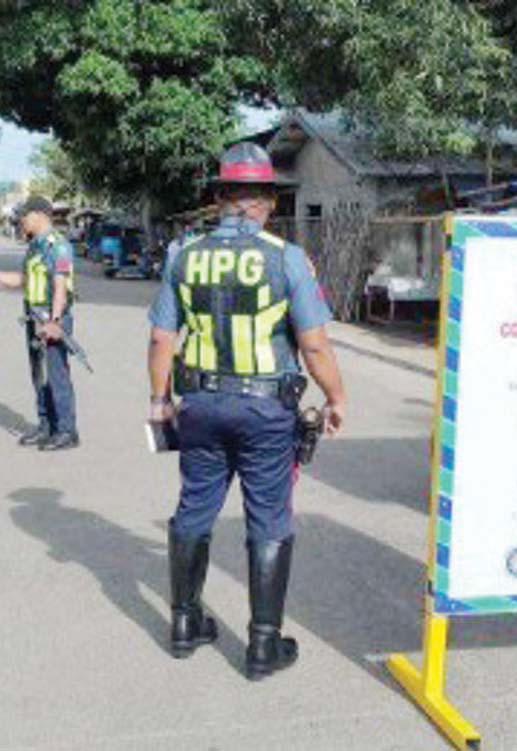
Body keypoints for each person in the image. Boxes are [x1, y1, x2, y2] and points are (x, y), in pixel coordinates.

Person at [146, 142, 347, 680]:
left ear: (218, 198)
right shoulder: (286, 258)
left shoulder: (182, 255)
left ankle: (185, 624)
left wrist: (159, 400)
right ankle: (262, 646)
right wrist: (336, 397)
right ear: (268, 202)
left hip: (201, 407)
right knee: (269, 518)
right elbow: (315, 345)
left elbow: (163, 339)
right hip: (264, 411)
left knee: (194, 509)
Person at [0, 195, 80, 451]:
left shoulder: (58, 246)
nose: (21, 222)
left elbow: (61, 287)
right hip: (34, 319)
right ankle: (45, 426)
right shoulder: (35, 247)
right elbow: (21, 280)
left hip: (52, 319)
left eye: (24, 217)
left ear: (39, 215)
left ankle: (66, 431)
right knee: (39, 375)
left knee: (57, 375)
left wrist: (55, 321)